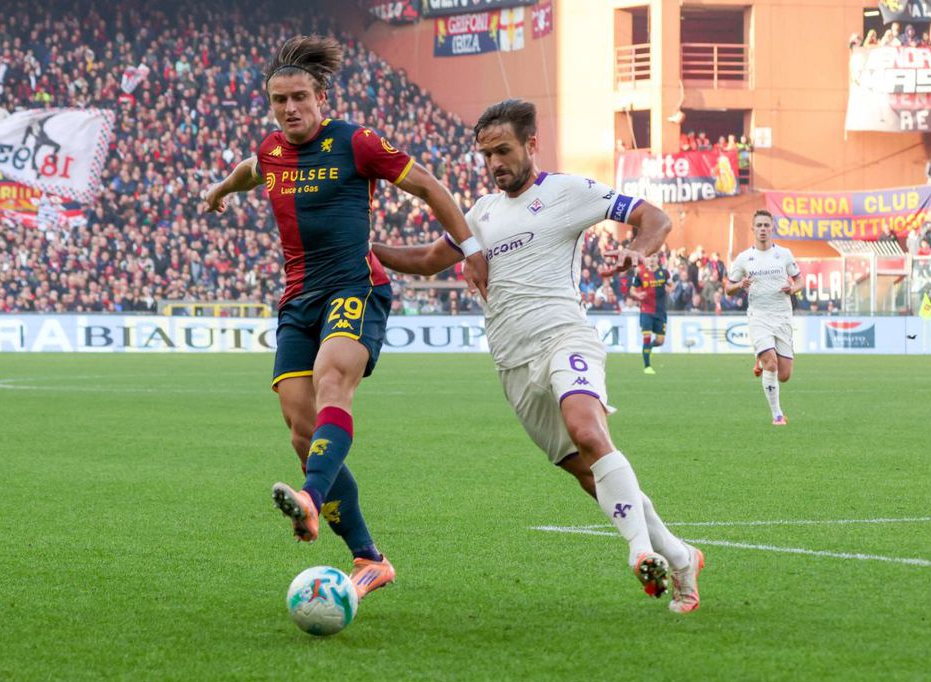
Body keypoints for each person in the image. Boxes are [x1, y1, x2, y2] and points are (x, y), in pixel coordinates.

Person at [372, 99, 704, 614]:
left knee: (588, 431)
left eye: (503, 151)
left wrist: (637, 250)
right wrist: (365, 249)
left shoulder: (567, 192)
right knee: (587, 472)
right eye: (486, 155)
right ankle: (680, 557)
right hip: (512, 362)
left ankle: (641, 552)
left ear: (531, 144)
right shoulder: (481, 213)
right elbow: (428, 260)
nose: (494, 163)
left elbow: (654, 218)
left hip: (563, 336)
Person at [202, 36, 487, 600]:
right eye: (279, 100)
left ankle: (310, 498)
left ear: (321, 98)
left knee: (333, 379)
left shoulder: (355, 142)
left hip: (356, 286)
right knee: (300, 429)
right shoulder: (271, 151)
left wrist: (471, 249)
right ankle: (369, 558)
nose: (290, 108)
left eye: (299, 97)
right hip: (297, 300)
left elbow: (428, 185)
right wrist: (219, 189)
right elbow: (249, 170)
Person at [723, 210, 801, 425]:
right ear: (753, 229)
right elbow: (728, 288)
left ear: (772, 228)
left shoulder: (784, 254)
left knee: (784, 375)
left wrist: (793, 289)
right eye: (759, 225)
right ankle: (777, 415)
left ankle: (761, 357)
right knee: (771, 364)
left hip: (782, 317)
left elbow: (800, 281)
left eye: (766, 225)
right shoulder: (744, 258)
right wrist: (740, 285)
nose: (763, 229)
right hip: (758, 316)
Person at [630, 253, 669, 374]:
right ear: (646, 259)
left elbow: (671, 285)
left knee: (660, 341)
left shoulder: (664, 273)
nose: (652, 259)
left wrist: (670, 289)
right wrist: (637, 294)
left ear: (658, 259)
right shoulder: (640, 273)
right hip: (646, 311)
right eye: (649, 257)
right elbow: (632, 290)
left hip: (660, 312)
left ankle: (650, 348)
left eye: (654, 256)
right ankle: (647, 366)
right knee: (646, 337)